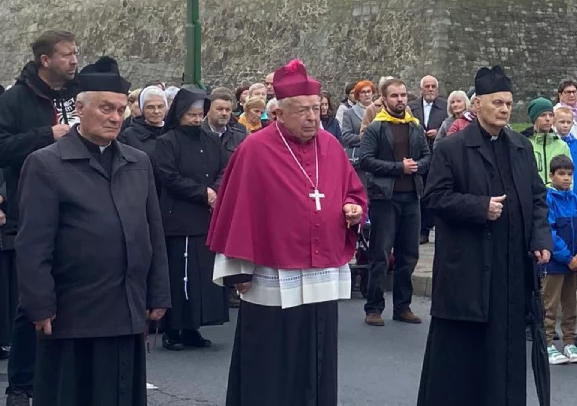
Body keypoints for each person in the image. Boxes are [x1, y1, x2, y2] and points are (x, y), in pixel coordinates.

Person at [208, 60, 367, 406]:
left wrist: (354, 210)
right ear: (279, 112)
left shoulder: (331, 146)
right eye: (302, 111)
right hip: (271, 275)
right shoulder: (254, 149)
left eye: (316, 109)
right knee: (269, 361)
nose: (313, 117)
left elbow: (353, 192)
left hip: (321, 272)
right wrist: (240, 270)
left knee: (318, 355)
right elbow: (237, 210)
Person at [17, 57, 170, 406]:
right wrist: (39, 305)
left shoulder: (138, 162)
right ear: (80, 108)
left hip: (127, 307)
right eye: (105, 108)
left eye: (120, 109)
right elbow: (33, 245)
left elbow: (153, 231)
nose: (115, 117)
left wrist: (159, 292)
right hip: (73, 314)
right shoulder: (45, 164)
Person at [417, 65, 552, 406]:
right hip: (468, 272)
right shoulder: (452, 148)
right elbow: (433, 198)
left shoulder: (521, 147)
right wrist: (479, 207)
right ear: (477, 105)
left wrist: (540, 239)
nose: (505, 109)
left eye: (508, 103)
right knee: (463, 361)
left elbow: (538, 198)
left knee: (505, 357)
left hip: (509, 274)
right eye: (497, 103)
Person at [0, 30, 79, 406]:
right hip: (32, 206)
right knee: (30, 302)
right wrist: (46, 135)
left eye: (76, 53)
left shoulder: (79, 95)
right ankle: (20, 384)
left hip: (80, 206)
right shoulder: (15, 99)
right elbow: (2, 148)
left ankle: (67, 378)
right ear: (46, 60)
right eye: (67, 55)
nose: (74, 60)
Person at [151, 86, 229, 351]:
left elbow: (223, 169)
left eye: (199, 115)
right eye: (191, 115)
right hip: (179, 216)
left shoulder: (211, 140)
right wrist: (201, 193)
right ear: (180, 114)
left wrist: (216, 191)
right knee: (180, 275)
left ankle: (194, 326)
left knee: (202, 277)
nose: (196, 120)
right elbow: (167, 175)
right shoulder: (167, 141)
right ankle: (173, 329)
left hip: (206, 217)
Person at [358, 79, 431, 327]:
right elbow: (366, 160)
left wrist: (417, 167)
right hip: (384, 198)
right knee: (380, 253)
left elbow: (427, 157)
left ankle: (403, 306)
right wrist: (399, 168)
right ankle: (374, 307)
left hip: (411, 197)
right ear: (384, 98)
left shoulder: (415, 127)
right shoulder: (376, 128)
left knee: (408, 255)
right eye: (395, 96)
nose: (400, 100)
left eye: (403, 95)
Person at [542, 155, 577, 366]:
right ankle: (547, 342)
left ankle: (570, 340)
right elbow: (550, 232)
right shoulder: (548, 199)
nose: (566, 178)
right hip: (555, 263)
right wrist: (567, 257)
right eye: (561, 174)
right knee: (549, 304)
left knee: (570, 304)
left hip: (574, 262)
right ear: (551, 175)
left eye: (569, 174)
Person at [527, 97, 571, 185]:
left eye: (551, 115)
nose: (548, 119)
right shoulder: (525, 144)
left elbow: (570, 175)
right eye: (543, 115)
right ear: (534, 118)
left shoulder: (562, 145)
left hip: (557, 196)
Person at [118, 86, 167, 157]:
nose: (156, 111)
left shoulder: (173, 132)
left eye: (160, 106)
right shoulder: (129, 136)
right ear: (142, 109)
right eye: (150, 107)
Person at [552, 106, 577, 195]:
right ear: (554, 123)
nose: (565, 125)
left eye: (568, 122)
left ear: (572, 124)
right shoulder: (552, 144)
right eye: (562, 122)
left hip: (576, 193)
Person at [203, 87, 248, 155]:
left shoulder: (239, 137)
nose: (224, 113)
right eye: (219, 109)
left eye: (227, 110)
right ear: (208, 111)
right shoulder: (196, 135)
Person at [339, 80, 375, 159]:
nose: (366, 94)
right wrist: (363, 138)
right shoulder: (349, 113)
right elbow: (346, 137)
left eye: (369, 91)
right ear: (358, 95)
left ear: (373, 93)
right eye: (363, 92)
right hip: (359, 156)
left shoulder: (381, 110)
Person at [410, 75, 448, 143]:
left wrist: (438, 132)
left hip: (437, 146)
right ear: (421, 89)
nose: (430, 89)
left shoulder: (446, 106)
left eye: (433, 86)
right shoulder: (411, 107)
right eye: (427, 86)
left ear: (437, 89)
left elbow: (450, 125)